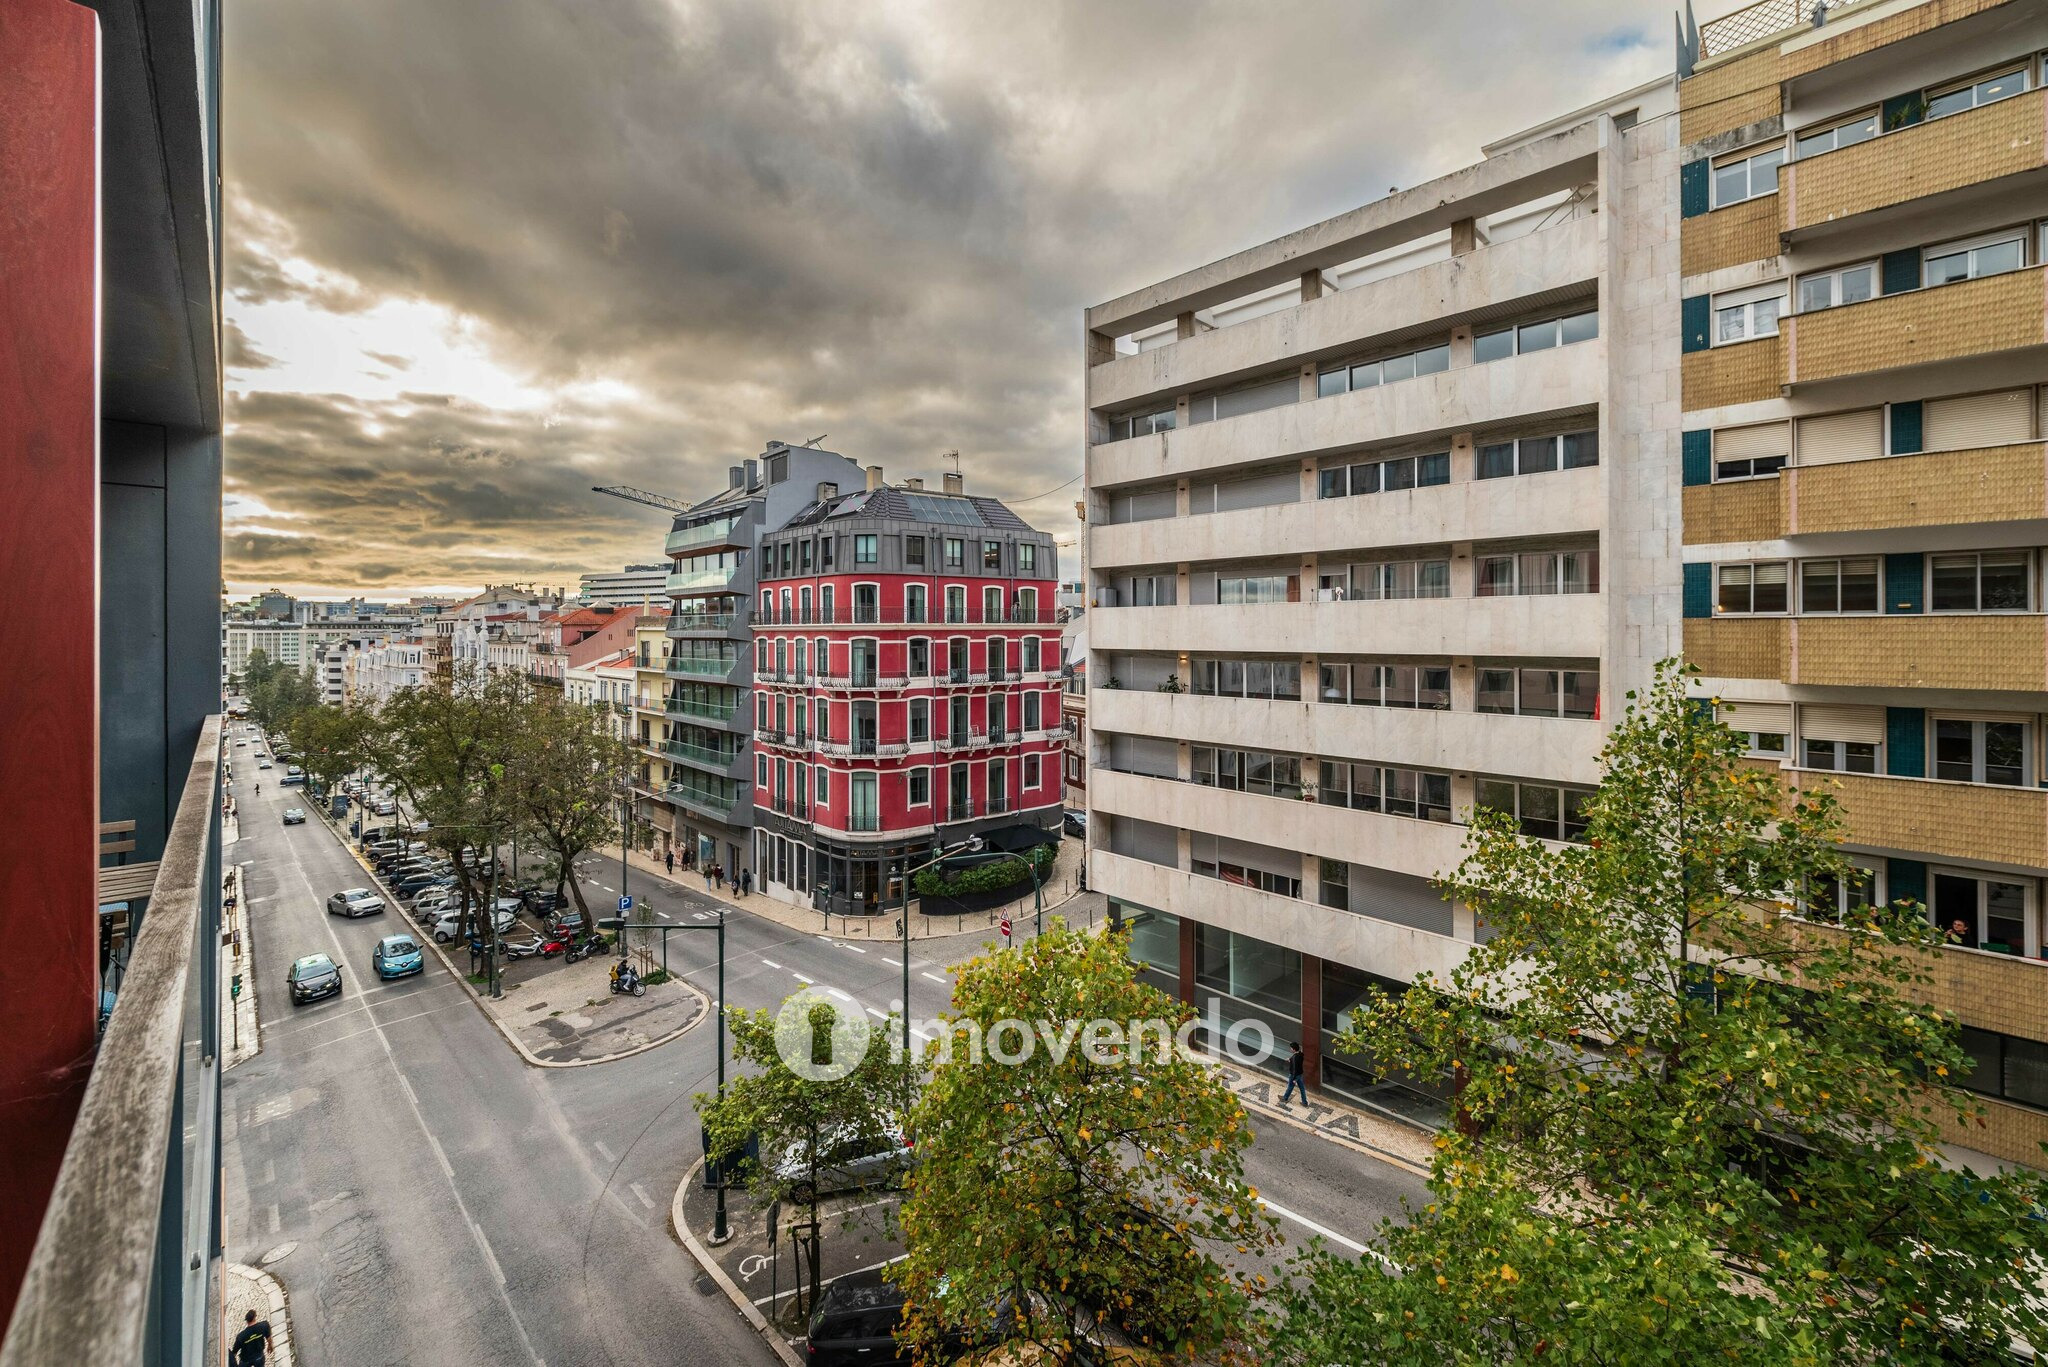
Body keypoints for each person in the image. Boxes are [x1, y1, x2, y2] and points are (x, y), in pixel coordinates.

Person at [1280, 1042, 1308, 1107]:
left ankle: (1285, 1098)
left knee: (1290, 1086)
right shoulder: (1300, 1054)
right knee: (1302, 1088)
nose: (1290, 1049)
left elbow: (1295, 1068)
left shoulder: (1295, 1057)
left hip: (1294, 1075)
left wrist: (1295, 1079)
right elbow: (1297, 1062)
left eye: (1291, 1048)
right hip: (1300, 1074)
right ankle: (1304, 1102)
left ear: (1294, 1049)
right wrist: (1290, 1060)